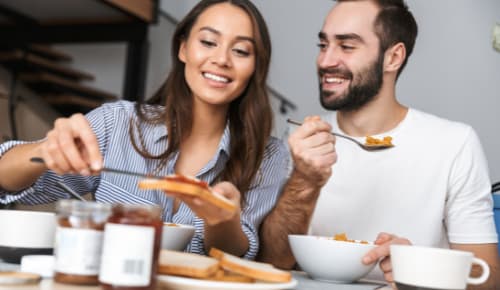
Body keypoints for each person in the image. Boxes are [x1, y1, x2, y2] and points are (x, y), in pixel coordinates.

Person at [0, 0, 289, 259]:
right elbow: (7, 181)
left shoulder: (267, 156)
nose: (222, 59)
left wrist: (221, 220)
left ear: (255, 67)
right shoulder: (118, 124)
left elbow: (237, 255)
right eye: (208, 42)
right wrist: (43, 149)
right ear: (183, 48)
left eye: (240, 50)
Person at [258, 0, 499, 287]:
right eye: (323, 45)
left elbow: (490, 278)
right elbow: (270, 264)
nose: (325, 61)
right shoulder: (300, 141)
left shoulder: (454, 143)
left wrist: (421, 269)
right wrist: (304, 181)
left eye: (346, 47)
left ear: (393, 57)